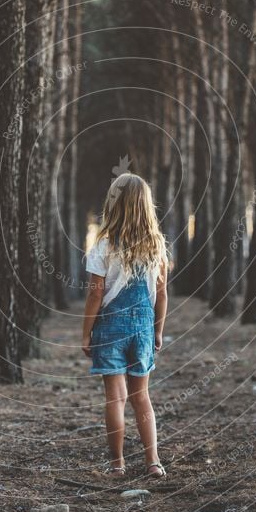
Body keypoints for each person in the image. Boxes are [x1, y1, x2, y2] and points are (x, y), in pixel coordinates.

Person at [82, 173, 168, 478]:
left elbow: (95, 295)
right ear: (146, 206)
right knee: (141, 397)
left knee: (115, 398)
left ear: (113, 204)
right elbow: (161, 294)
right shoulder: (156, 245)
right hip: (143, 329)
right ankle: (153, 462)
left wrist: (86, 333)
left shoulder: (103, 246)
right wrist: (157, 330)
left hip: (110, 328)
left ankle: (117, 465)